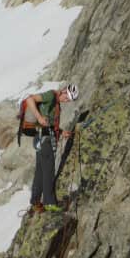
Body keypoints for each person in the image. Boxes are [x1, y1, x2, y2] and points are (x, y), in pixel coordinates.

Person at [20, 83, 78, 214]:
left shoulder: (55, 103)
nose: (66, 100)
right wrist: (39, 118)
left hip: (40, 138)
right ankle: (49, 203)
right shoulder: (51, 96)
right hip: (45, 140)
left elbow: (50, 123)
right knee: (48, 170)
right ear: (63, 91)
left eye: (69, 100)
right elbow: (30, 99)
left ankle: (35, 202)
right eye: (66, 97)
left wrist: (61, 132)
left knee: (40, 172)